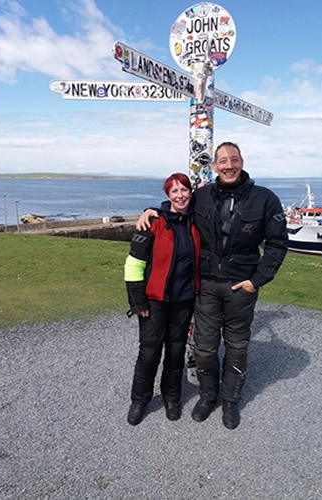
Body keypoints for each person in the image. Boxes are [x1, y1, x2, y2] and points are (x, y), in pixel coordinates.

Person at [137, 142, 287, 429]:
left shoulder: (265, 199)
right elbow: (175, 207)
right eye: (223, 161)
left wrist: (257, 280)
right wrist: (150, 210)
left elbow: (278, 243)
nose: (229, 165)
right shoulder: (202, 196)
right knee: (204, 349)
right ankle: (208, 395)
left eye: (234, 159)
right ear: (215, 166)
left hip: (241, 286)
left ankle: (230, 400)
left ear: (242, 161)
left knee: (237, 345)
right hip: (206, 284)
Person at [123, 173, 201, 425]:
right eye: (174, 191)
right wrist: (138, 302)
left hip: (184, 300)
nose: (180, 195)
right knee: (149, 352)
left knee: (176, 352)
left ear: (191, 192)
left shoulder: (196, 222)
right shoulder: (153, 222)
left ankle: (172, 397)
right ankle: (140, 400)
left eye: (184, 190)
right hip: (154, 302)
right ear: (167, 196)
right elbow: (134, 264)